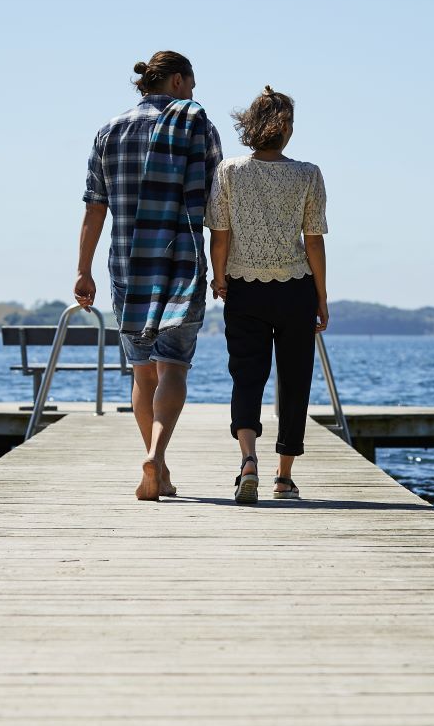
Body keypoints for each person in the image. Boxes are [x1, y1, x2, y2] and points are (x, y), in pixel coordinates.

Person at [77, 51, 224, 501]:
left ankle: (155, 468)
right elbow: (219, 205)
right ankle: (157, 459)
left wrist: (83, 270)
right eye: (192, 86)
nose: (194, 96)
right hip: (181, 265)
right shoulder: (198, 125)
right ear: (178, 81)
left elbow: (94, 206)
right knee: (174, 366)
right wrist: (221, 271)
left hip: (126, 266)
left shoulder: (109, 131)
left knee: (143, 375)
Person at [207, 86, 329, 502]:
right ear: (287, 129)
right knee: (295, 381)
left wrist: (219, 277)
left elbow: (219, 235)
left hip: (243, 288)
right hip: (295, 289)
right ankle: (284, 477)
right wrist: (322, 295)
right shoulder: (308, 173)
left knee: (246, 376)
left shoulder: (228, 171)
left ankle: (248, 461)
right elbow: (313, 241)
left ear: (250, 127)